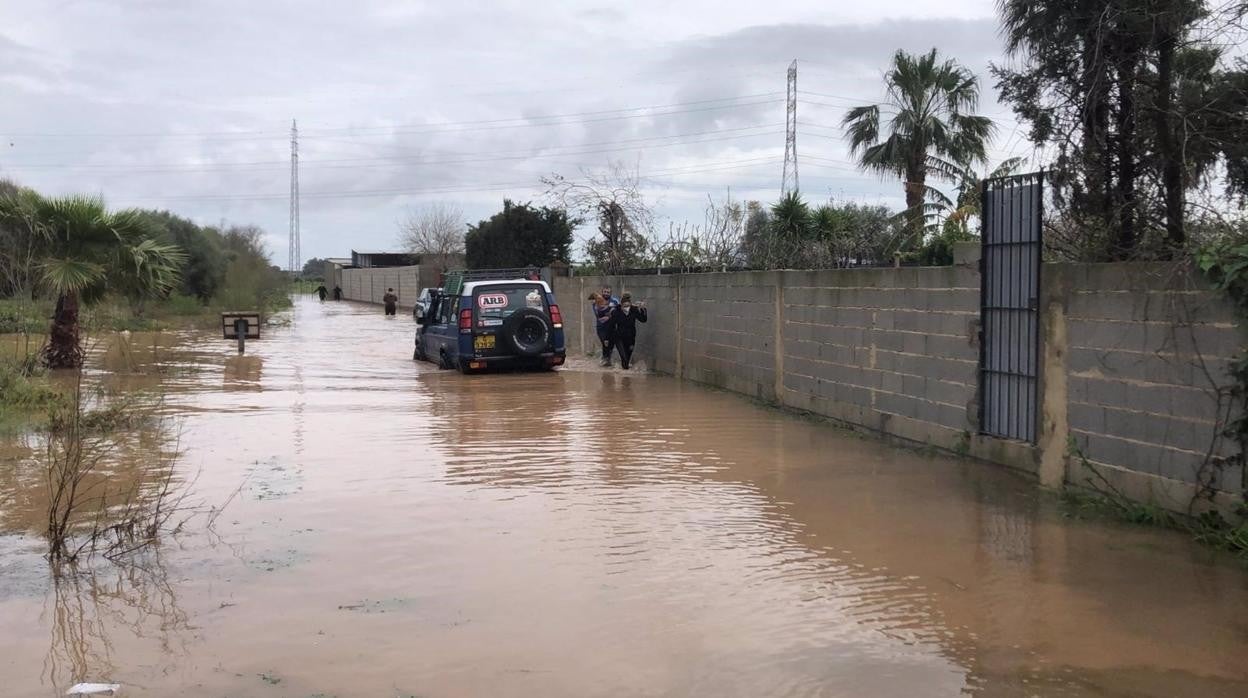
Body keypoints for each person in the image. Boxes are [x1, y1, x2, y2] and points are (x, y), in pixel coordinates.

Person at [607, 293, 647, 370]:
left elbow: (643, 320)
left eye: (628, 306)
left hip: (631, 338)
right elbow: (611, 325)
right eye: (624, 306)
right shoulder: (616, 312)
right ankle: (625, 378)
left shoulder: (634, 310)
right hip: (619, 338)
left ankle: (625, 376)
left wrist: (643, 309)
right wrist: (607, 338)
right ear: (621, 305)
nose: (626, 308)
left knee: (627, 360)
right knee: (624, 358)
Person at [588, 292, 615, 366]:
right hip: (601, 327)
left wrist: (609, 312)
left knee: (609, 343)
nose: (592, 302)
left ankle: (607, 359)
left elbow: (610, 312)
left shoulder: (605, 305)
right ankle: (605, 358)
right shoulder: (595, 306)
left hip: (609, 327)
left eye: (593, 300)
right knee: (604, 343)